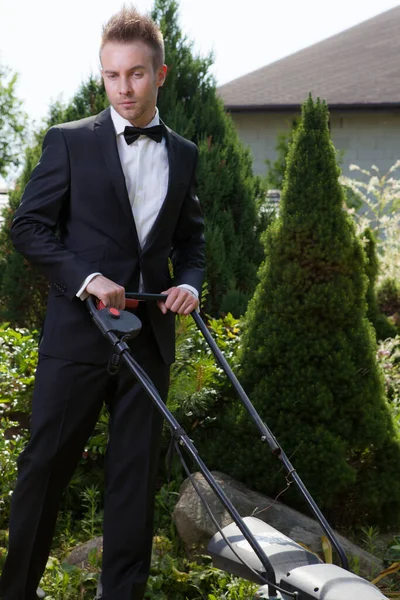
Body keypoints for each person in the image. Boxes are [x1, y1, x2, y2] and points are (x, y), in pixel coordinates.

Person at [0, 6, 205, 600]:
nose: (123, 88)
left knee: (134, 483)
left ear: (159, 75)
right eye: (112, 75)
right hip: (77, 338)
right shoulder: (68, 143)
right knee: (43, 472)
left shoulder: (185, 154)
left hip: (150, 341)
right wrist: (85, 277)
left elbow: (191, 241)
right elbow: (28, 227)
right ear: (103, 75)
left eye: (136, 74)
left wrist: (190, 282)